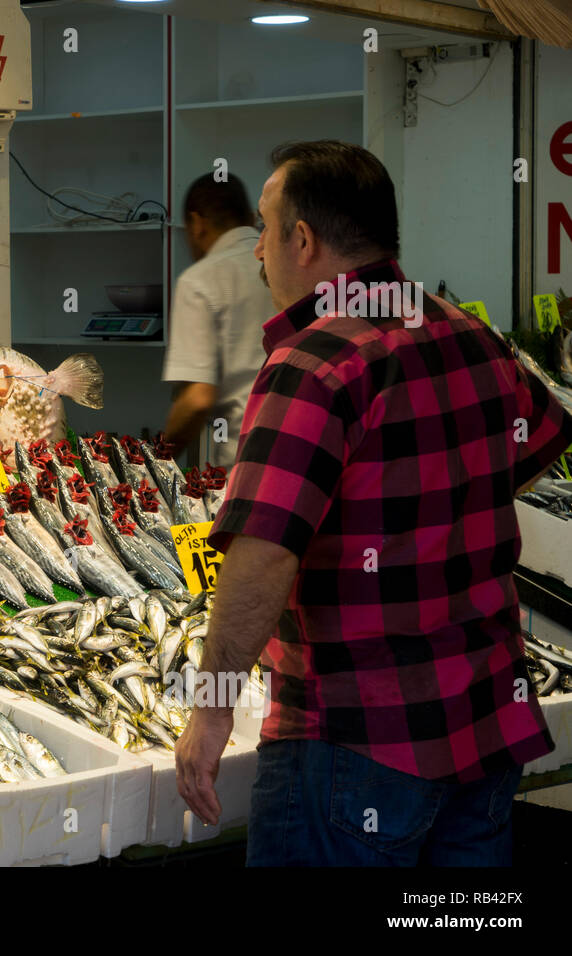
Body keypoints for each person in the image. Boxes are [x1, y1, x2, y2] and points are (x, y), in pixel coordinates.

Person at [173, 140, 572, 866]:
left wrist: (211, 707)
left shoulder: (312, 364)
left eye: (264, 227)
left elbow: (261, 557)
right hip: (486, 727)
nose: (257, 250)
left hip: (357, 742)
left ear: (302, 239)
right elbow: (540, 445)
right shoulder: (469, 334)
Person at [161, 172, 274, 468]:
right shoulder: (285, 267)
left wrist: (152, 465)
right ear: (251, 217)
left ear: (197, 224)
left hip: (244, 464)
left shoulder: (200, 280)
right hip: (302, 457)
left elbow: (197, 399)